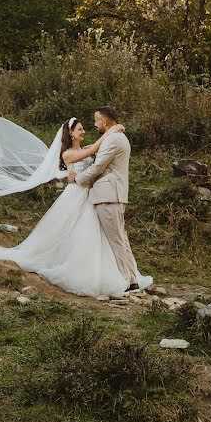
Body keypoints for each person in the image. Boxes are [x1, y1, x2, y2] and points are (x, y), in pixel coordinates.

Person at [0, 95, 152, 297]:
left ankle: (118, 274)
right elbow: (92, 154)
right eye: (80, 128)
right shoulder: (69, 153)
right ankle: (98, 272)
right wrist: (110, 132)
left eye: (89, 125)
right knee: (70, 232)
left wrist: (110, 133)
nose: (86, 129)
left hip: (90, 194)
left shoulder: (95, 144)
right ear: (71, 133)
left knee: (90, 234)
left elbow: (93, 155)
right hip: (79, 193)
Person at [68, 106, 145, 292]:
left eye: (96, 120)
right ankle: (132, 277)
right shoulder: (116, 137)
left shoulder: (114, 140)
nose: (94, 124)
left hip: (109, 195)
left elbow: (99, 167)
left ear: (104, 121)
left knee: (117, 240)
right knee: (121, 238)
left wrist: (77, 179)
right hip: (112, 195)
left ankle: (129, 281)